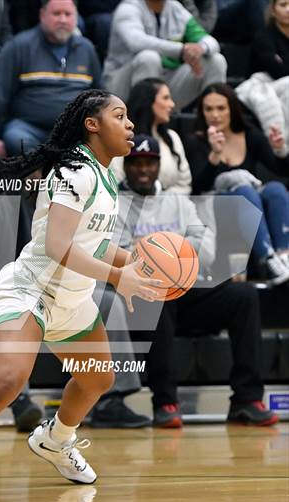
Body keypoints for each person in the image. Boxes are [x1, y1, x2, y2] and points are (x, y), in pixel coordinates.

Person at [0, 89, 161, 502]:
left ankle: (55, 440)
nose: (131, 124)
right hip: (30, 290)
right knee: (7, 381)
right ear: (92, 124)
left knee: (98, 378)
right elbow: (57, 245)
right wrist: (119, 277)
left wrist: (143, 261)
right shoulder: (72, 173)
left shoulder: (105, 176)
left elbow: (95, 245)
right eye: (120, 115)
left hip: (72, 299)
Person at [115, 133, 279, 427]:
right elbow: (120, 254)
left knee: (243, 296)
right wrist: (172, 249)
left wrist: (159, 248)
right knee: (158, 293)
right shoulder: (115, 204)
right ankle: (165, 402)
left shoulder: (177, 202)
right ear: (126, 166)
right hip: (141, 298)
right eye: (136, 163)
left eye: (149, 163)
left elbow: (207, 248)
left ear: (158, 166)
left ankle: (246, 399)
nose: (142, 169)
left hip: (186, 288)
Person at [185, 83, 289, 285]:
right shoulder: (195, 140)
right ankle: (266, 259)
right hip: (215, 204)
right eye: (209, 109)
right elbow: (197, 186)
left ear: (232, 109)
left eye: (221, 108)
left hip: (248, 201)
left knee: (275, 190)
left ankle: (284, 255)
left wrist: (280, 151)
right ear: (202, 112)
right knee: (244, 193)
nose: (215, 115)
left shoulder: (249, 135)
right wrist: (214, 154)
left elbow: (282, 170)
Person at [0, 0, 101, 158]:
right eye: (56, 14)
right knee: (16, 138)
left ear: (76, 17)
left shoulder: (87, 49)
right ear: (42, 15)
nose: (63, 19)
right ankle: (38, 181)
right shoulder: (19, 46)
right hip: (28, 128)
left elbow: (100, 96)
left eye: (68, 14)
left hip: (73, 131)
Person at [102, 0, 227, 109]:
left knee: (215, 61)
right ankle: (143, 127)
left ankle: (213, 130)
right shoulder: (128, 8)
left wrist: (200, 48)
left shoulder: (175, 8)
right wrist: (182, 50)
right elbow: (136, 41)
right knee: (149, 58)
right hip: (121, 86)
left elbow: (210, 41)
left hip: (165, 82)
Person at [111, 78, 192, 196]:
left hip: (168, 209)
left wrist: (159, 201)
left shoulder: (172, 138)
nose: (172, 104)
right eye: (166, 98)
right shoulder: (122, 138)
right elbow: (114, 182)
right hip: (127, 209)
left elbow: (184, 184)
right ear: (148, 101)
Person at [236, 0, 289, 149]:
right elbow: (277, 71)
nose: (288, 10)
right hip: (264, 84)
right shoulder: (264, 36)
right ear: (273, 10)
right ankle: (282, 146)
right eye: (283, 5)